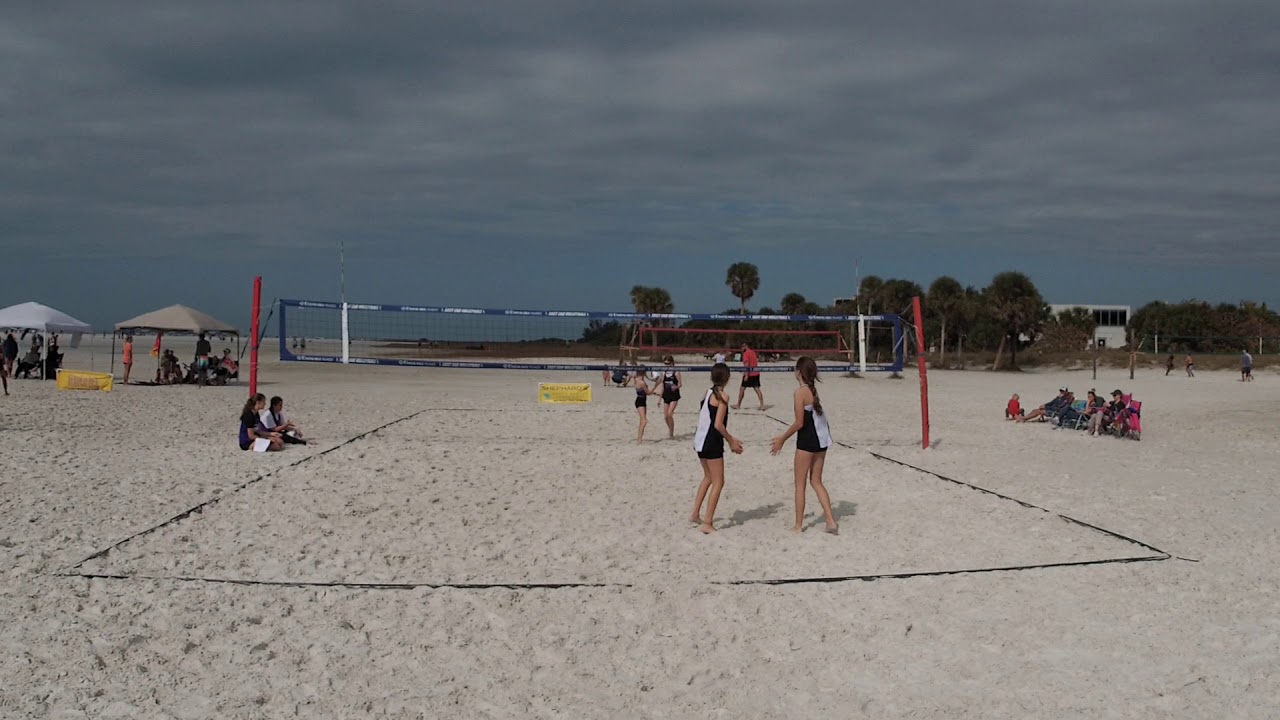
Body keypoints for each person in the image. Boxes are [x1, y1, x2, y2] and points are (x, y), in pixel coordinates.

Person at [770, 357, 837, 534]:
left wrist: (782, 439)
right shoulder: (813, 391)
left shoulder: (800, 392)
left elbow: (799, 422)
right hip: (821, 440)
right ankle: (830, 520)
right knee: (816, 481)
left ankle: (798, 526)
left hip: (807, 440)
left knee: (800, 484)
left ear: (798, 372)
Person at [690, 363, 744, 534]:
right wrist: (731, 441)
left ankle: (695, 514)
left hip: (700, 440)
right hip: (711, 441)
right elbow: (719, 424)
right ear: (727, 379)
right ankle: (707, 522)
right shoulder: (723, 397)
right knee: (719, 481)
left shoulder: (707, 393)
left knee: (708, 477)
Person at [733, 343, 764, 411]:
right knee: (757, 389)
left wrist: (746, 375)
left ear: (745, 347)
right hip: (756, 372)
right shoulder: (753, 352)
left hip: (749, 373)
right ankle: (762, 405)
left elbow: (747, 364)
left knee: (742, 389)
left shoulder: (746, 353)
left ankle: (738, 404)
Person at [659, 355, 682, 439]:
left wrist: (675, 387)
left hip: (674, 394)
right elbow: (662, 385)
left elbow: (680, 384)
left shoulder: (676, 372)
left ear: (672, 363)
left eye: (668, 363)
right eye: (665, 364)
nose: (666, 365)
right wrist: (659, 398)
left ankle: (671, 433)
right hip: (666, 394)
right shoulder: (664, 372)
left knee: (669, 413)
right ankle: (670, 429)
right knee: (665, 416)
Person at [633, 375, 658, 444]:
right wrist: (656, 385)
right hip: (640, 401)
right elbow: (648, 392)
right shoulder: (641, 382)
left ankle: (639, 439)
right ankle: (639, 439)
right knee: (644, 421)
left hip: (642, 400)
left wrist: (654, 393)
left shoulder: (638, 380)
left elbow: (646, 393)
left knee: (642, 421)